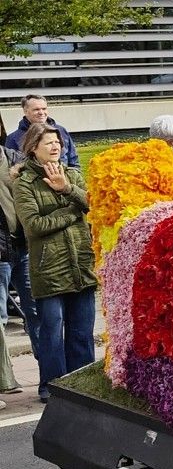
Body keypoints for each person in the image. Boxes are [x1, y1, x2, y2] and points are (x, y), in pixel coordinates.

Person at [13, 123, 96, 402]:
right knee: (51, 332)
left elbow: (92, 204)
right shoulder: (25, 182)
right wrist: (72, 213)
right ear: (33, 148)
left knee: (82, 332)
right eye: (47, 142)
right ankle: (52, 386)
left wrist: (67, 189)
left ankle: (83, 382)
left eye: (57, 142)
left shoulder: (73, 174)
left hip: (81, 264)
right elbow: (34, 225)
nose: (55, 146)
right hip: (49, 268)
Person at [0, 147, 31, 399]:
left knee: (36, 313)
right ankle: (4, 381)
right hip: (0, 253)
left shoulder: (15, 158)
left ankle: (51, 382)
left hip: (24, 246)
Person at [4, 95, 79, 168]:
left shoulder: (61, 131)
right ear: (25, 111)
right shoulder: (13, 139)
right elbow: (11, 168)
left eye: (44, 109)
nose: (41, 112)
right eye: (36, 109)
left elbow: (73, 161)